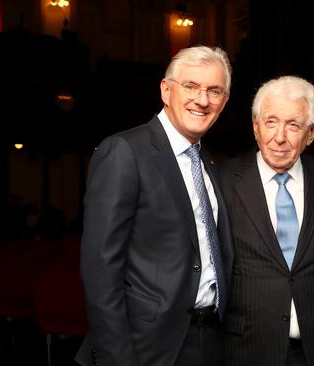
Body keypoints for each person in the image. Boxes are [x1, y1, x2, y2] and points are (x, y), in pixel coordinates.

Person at [76, 45, 234, 366]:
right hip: (145, 347)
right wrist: (117, 359)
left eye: (214, 91)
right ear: (166, 90)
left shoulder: (208, 163)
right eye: (190, 86)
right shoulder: (124, 152)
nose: (202, 100)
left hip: (208, 341)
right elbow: (100, 270)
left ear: (225, 100)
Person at [218, 76, 314, 366]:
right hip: (247, 347)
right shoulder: (224, 180)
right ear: (256, 127)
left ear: (311, 133)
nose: (280, 137)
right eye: (271, 122)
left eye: (293, 125)